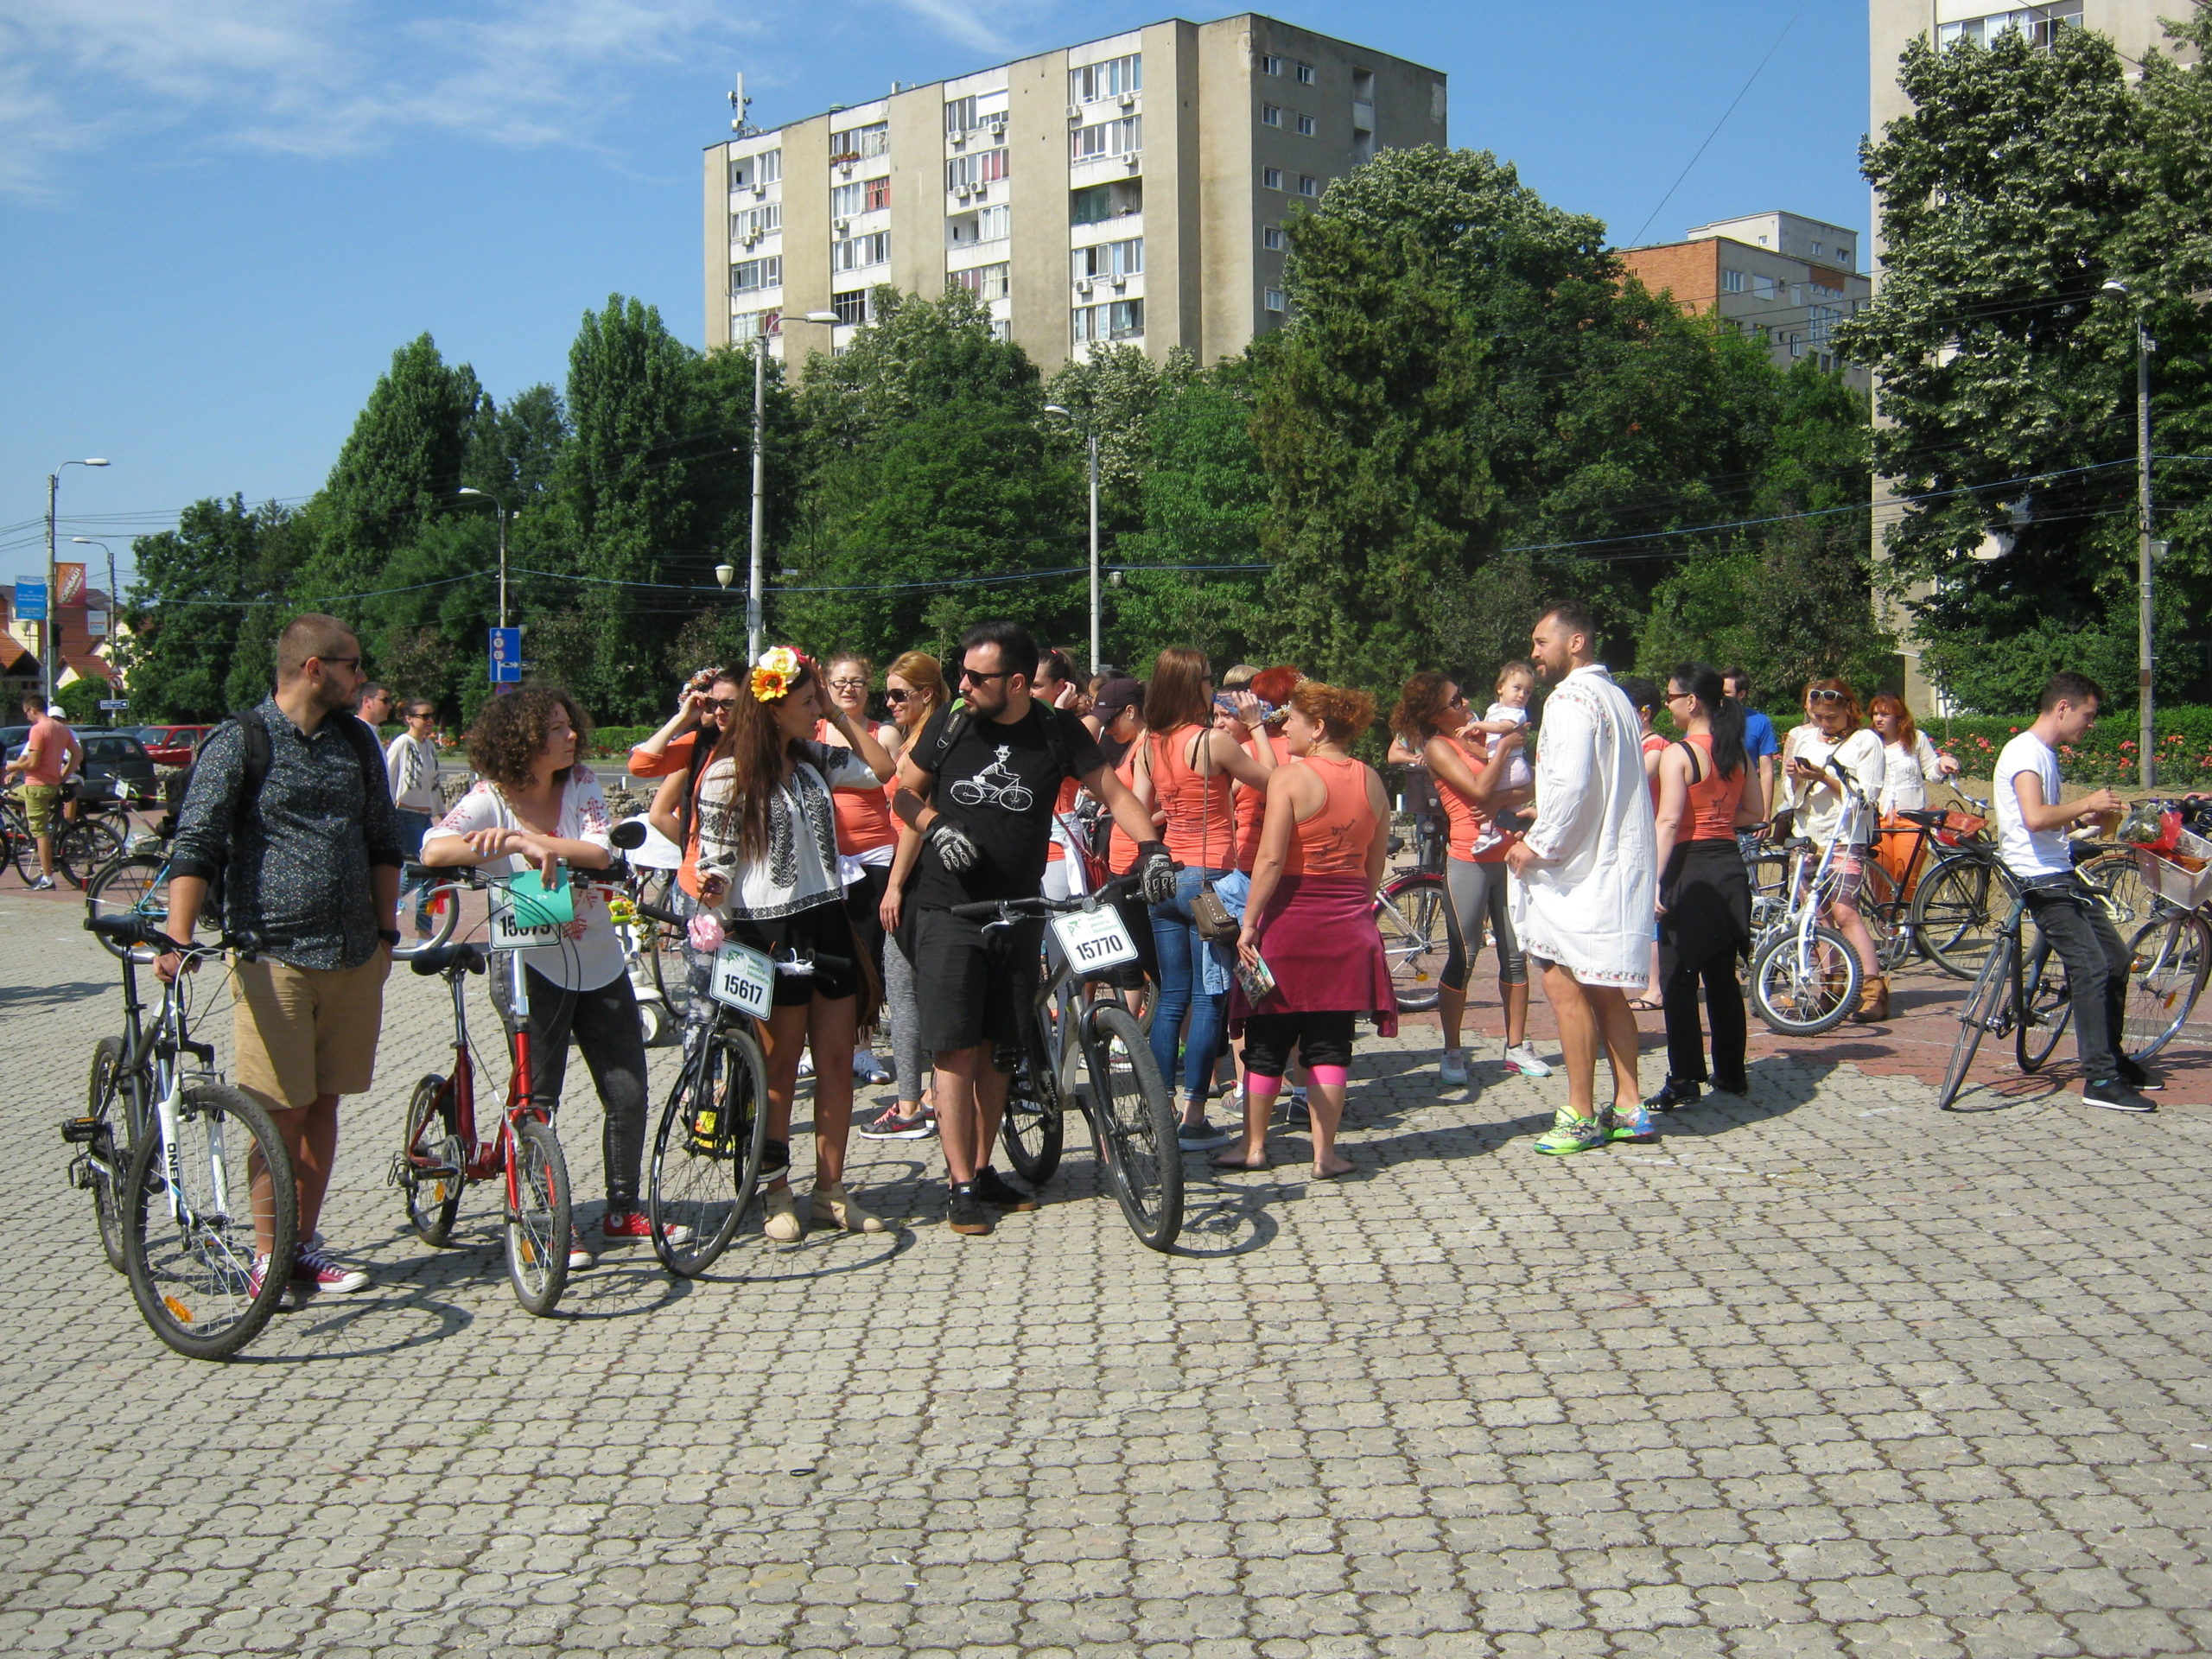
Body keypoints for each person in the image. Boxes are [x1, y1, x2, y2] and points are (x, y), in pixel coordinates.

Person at [893, 621, 1173, 1238]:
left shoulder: (1056, 730)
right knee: (955, 1048)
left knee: (1000, 1048)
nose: (963, 685)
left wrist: (1152, 848)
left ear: (1017, 683)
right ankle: (959, 1185)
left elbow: (1114, 792)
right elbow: (904, 796)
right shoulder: (951, 723)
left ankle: (983, 1167)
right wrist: (937, 826)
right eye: (962, 673)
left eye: (977, 677)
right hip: (948, 909)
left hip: (1019, 908)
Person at [161, 614, 402, 1301]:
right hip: (273, 956)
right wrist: (178, 937)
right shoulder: (242, 740)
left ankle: (301, 1245)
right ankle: (268, 1257)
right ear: (313, 668)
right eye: (353, 665)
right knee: (277, 1112)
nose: (363, 677)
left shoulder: (356, 741)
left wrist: (386, 935)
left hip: (353, 954)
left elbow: (383, 841)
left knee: (323, 1104)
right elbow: (197, 842)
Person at [422, 685, 659, 1267]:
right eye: (556, 728)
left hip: (598, 960)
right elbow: (433, 849)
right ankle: (541, 1216)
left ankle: (623, 1208)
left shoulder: (581, 783)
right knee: (536, 1098)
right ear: (522, 739)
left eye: (568, 724)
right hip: (527, 964)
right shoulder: (491, 796)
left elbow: (599, 852)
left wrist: (529, 841)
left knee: (627, 1090)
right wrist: (510, 839)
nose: (571, 735)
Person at [695, 647, 899, 1236]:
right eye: (809, 701)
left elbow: (881, 769)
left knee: (835, 1060)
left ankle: (830, 1191)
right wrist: (712, 903)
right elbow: (716, 860)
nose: (818, 710)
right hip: (765, 928)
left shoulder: (814, 757)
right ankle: (775, 1190)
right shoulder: (728, 773)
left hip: (826, 917)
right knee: (779, 1065)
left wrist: (838, 718)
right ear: (772, 706)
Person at [1220, 681, 1395, 1176]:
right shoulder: (1372, 780)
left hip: (1289, 922)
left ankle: (1254, 1147)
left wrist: (1249, 924)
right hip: (1347, 925)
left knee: (1267, 1040)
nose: (1285, 729)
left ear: (1317, 727)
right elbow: (1375, 863)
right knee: (1331, 1043)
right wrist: (1356, 910)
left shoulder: (1290, 778)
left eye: (1292, 720)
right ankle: (1325, 1155)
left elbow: (1271, 859)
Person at [1505, 603, 1659, 1154]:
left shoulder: (1570, 698)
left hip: (1577, 872)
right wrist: (1544, 813)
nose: (1534, 653)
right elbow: (1592, 783)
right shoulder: (1615, 696)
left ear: (1576, 642)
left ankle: (1580, 1113)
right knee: (1606, 989)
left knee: (1563, 983)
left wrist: (1536, 843)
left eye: (1541, 641)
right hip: (1609, 863)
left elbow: (1572, 787)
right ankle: (1630, 1106)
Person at [1128, 647, 1278, 1149]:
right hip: (1210, 879)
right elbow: (1274, 781)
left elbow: (1141, 808)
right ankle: (1194, 1116)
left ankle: (1160, 1107)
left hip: (1166, 876)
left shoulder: (1148, 743)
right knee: (1210, 996)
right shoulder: (1212, 742)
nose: (1214, 688)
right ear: (1193, 686)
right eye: (1209, 679)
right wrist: (1256, 727)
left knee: (1171, 995)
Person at [1993, 672, 2158, 1113]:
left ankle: (2112, 1058)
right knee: (2090, 966)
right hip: (2036, 877)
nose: (2091, 723)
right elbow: (2033, 817)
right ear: (2063, 708)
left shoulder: (2044, 753)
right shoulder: (2025, 752)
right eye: (2088, 714)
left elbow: (2046, 820)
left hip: (2058, 870)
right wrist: (2087, 803)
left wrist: (2084, 821)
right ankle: (2099, 1078)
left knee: (2116, 959)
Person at [1387, 671, 1543, 1089]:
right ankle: (1452, 1050)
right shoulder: (1439, 747)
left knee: (1515, 954)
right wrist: (1504, 750)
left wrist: (1497, 795)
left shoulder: (1477, 735)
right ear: (1434, 713)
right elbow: (1477, 789)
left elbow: (1526, 784)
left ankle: (1516, 1046)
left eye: (1463, 696)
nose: (1466, 703)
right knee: (1465, 955)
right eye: (1455, 701)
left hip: (1506, 855)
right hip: (1468, 859)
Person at [1645, 664, 1765, 1111]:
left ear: (1692, 701)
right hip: (1728, 867)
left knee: (1678, 977)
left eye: (1671, 697)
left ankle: (1683, 1077)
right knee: (1722, 978)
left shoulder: (1680, 753)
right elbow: (1755, 811)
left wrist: (1653, 881)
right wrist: (1717, 818)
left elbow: (1668, 820)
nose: (1668, 705)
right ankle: (1731, 1072)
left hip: (1689, 868)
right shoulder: (1737, 751)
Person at [863, 651, 950, 1141]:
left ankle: (912, 1102)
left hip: (916, 874)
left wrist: (895, 886)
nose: (891, 703)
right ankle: (928, 1095)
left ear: (926, 693)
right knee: (915, 988)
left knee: (905, 990)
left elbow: (917, 821)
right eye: (887, 695)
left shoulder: (929, 741)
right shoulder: (921, 736)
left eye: (899, 694)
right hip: (913, 870)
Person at [816, 653, 900, 1087]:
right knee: (820, 951)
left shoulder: (881, 732)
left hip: (872, 854)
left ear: (869, 687)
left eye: (857, 682)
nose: (848, 689)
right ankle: (818, 1045)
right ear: (825, 686)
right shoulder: (811, 730)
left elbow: (889, 780)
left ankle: (862, 1048)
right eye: (839, 682)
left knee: (867, 953)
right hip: (821, 858)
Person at [641, 668, 738, 1045]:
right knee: (703, 1003)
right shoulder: (700, 744)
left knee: (747, 1003)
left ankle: (746, 1074)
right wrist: (684, 719)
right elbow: (642, 766)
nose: (719, 711)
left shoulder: (769, 746)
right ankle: (702, 1078)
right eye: (712, 703)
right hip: (700, 885)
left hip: (752, 887)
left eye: (728, 703)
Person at [1787, 680, 1889, 1020]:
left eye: (1831, 717)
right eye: (1818, 717)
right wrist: (1796, 778)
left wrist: (1824, 777)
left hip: (1844, 836)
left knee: (1845, 912)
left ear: (1849, 710)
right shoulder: (1804, 738)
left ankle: (1872, 990)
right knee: (1816, 915)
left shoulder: (1866, 741)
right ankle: (1833, 987)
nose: (1824, 723)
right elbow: (1792, 796)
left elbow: (1866, 797)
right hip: (1806, 835)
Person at [3, 690, 80, 889]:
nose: (26, 717)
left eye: (26, 713)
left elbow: (33, 763)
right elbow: (77, 755)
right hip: (51, 785)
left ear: (32, 710)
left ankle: (47, 878)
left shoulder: (38, 730)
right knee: (10, 795)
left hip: (36, 786)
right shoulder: (62, 729)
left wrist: (13, 767)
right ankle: (28, 822)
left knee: (40, 833)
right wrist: (63, 776)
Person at [385, 698, 444, 938]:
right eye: (424, 716)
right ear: (409, 719)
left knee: (431, 872)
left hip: (424, 817)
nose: (429, 721)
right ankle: (380, 903)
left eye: (431, 716)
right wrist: (386, 814)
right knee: (416, 871)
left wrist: (442, 817)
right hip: (405, 815)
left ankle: (424, 929)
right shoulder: (403, 743)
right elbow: (388, 778)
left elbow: (434, 786)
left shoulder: (429, 746)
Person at [1469, 661, 1537, 794]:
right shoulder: (1493, 709)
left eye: (1528, 692)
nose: (1522, 695)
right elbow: (1488, 726)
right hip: (1501, 763)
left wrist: (1475, 724)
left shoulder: (1517, 713)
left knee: (1486, 791)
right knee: (1509, 804)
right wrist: (1479, 729)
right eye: (1517, 688)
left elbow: (1501, 727)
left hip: (1511, 766)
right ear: (1500, 688)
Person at [1723, 668, 1781, 817]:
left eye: (1726, 693)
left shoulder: (1760, 722)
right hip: (1713, 812)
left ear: (1741, 694)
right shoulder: (1703, 720)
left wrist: (1766, 813)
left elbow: (1766, 771)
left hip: (1746, 813)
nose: (1719, 697)